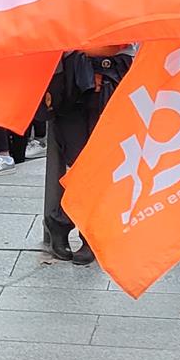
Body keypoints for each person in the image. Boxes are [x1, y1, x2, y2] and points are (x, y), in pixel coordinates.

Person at [40, 46, 125, 263]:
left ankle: (73, 225)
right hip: (69, 83)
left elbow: (122, 40)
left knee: (98, 163)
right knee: (80, 161)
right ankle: (67, 223)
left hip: (111, 78)